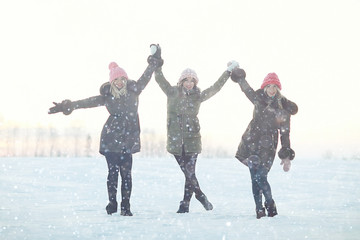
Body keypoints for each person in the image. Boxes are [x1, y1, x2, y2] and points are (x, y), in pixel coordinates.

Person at [48, 47, 163, 216]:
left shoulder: (134, 90)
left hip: (128, 138)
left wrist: (154, 61)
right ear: (111, 81)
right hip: (111, 138)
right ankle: (112, 203)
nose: (120, 82)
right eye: (116, 80)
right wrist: (67, 105)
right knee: (113, 173)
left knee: (127, 174)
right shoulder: (107, 96)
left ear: (125, 79)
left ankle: (126, 207)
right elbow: (86, 102)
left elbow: (146, 76)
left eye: (122, 79)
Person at [153, 46, 239, 213]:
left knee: (189, 173)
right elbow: (159, 78)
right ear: (181, 81)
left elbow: (216, 87)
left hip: (192, 140)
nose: (189, 83)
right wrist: (157, 61)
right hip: (176, 141)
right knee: (188, 174)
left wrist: (228, 72)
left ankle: (184, 205)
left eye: (192, 80)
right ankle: (199, 195)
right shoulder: (171, 92)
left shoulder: (198, 96)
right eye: (187, 80)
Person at [230, 68, 298, 219]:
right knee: (254, 178)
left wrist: (286, 156)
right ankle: (259, 209)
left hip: (268, 147)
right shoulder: (257, 98)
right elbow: (245, 88)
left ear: (278, 89)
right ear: (264, 87)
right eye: (269, 86)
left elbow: (285, 134)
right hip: (251, 142)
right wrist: (238, 75)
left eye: (275, 87)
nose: (272, 90)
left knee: (261, 176)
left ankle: (270, 203)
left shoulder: (283, 108)